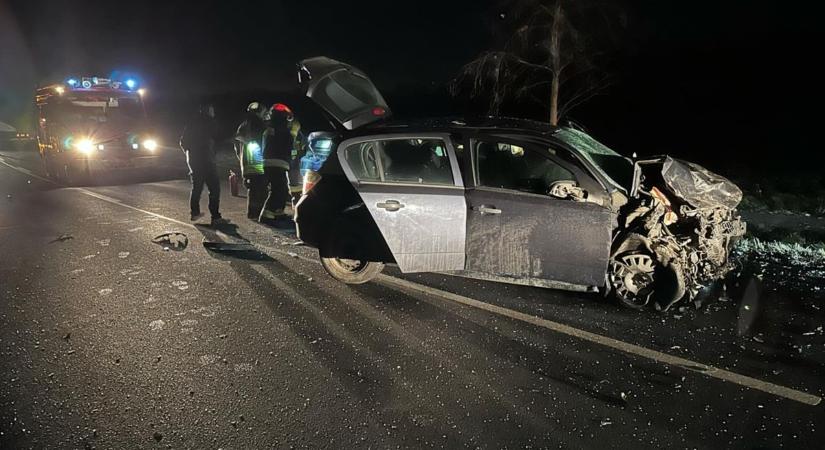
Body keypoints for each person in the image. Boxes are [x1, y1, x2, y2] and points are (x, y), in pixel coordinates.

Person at [179, 103, 227, 225]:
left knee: (197, 187)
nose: (214, 112)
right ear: (208, 111)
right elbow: (219, 138)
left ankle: (194, 213)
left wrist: (189, 153)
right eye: (212, 110)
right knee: (214, 189)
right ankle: (215, 216)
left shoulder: (191, 124)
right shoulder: (211, 122)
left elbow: (183, 142)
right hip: (207, 159)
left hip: (194, 160)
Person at [258, 103, 294, 225]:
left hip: (271, 162)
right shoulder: (283, 130)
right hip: (278, 162)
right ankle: (266, 214)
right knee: (278, 189)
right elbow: (288, 146)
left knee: (280, 188)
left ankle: (277, 212)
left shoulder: (269, 129)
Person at [234, 102, 267, 219]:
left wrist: (241, 158)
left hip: (248, 163)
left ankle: (253, 213)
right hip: (259, 163)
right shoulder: (261, 125)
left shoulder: (243, 125)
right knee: (261, 188)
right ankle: (257, 213)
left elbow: (237, 145)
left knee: (253, 188)